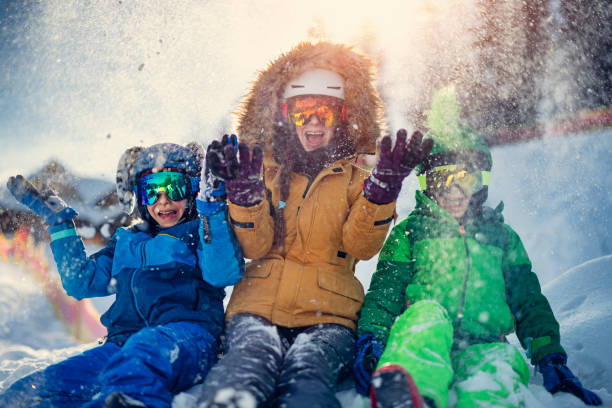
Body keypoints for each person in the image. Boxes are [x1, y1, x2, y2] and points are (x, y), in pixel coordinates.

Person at [196, 41, 432, 408]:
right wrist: (244, 199)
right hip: (258, 307)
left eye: (326, 111)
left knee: (308, 375)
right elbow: (255, 248)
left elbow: (360, 246)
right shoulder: (263, 170)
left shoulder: (357, 179)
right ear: (285, 114)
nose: (315, 122)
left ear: (344, 116)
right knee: (245, 369)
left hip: (330, 314)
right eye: (303, 112)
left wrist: (381, 193)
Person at [353, 89, 603, 407]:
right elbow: (385, 292)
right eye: (442, 179)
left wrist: (550, 356)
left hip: (485, 340)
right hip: (427, 332)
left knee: (499, 367)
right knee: (423, 320)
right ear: (427, 184)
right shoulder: (410, 232)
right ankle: (412, 392)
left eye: (465, 179)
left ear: (480, 182)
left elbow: (529, 301)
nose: (455, 191)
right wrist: (371, 338)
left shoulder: (501, 237)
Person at [1, 142, 245, 408]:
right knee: (32, 393)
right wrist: (60, 223)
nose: (163, 200)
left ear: (193, 188)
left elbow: (223, 273)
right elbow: (81, 282)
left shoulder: (199, 233)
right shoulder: (127, 242)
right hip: (123, 345)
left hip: (187, 339)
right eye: (151, 191)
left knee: (140, 358)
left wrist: (212, 207)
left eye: (174, 187)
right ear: (139, 197)